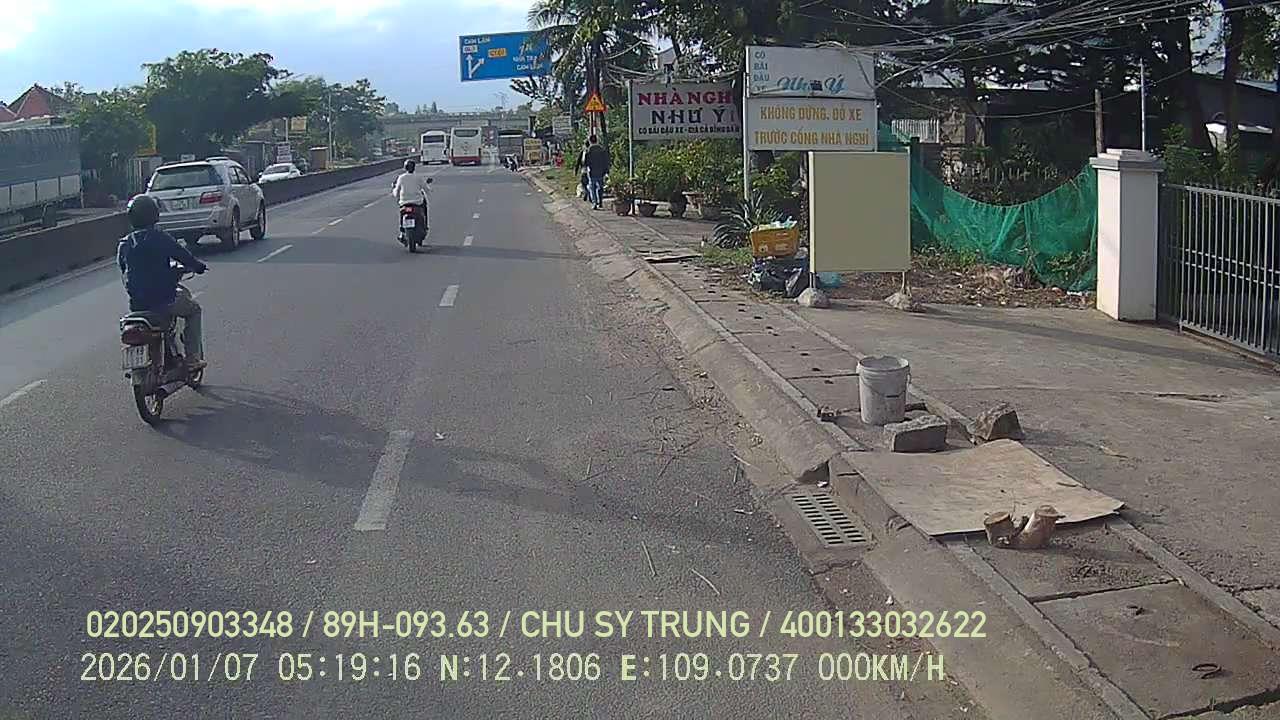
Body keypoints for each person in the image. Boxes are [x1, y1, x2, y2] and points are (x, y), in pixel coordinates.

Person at [116, 194, 208, 369]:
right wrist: (198, 266)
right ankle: (192, 358)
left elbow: (123, 268)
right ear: (154, 215)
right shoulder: (160, 237)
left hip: (137, 306)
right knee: (194, 310)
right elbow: (183, 255)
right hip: (165, 300)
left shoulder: (125, 244)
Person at [392, 159, 431, 237]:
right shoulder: (418, 177)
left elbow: (396, 192)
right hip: (417, 202)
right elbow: (426, 189)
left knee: (401, 213)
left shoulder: (401, 178)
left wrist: (395, 193)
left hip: (404, 203)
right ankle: (425, 226)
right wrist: (428, 190)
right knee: (424, 210)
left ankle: (401, 231)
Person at [582, 135, 610, 210]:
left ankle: (594, 203)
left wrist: (586, 168)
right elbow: (606, 160)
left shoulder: (588, 150)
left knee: (592, 187)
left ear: (590, 141)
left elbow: (584, 162)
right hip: (601, 171)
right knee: (600, 187)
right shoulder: (602, 149)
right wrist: (606, 170)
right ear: (596, 140)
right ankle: (600, 201)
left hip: (592, 171)